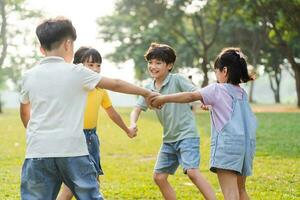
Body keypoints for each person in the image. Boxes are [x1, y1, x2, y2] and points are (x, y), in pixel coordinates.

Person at [19, 17, 157, 200]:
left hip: (37, 151)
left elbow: (24, 111)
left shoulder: (28, 76)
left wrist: (36, 134)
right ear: (68, 44)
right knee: (90, 195)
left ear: (41, 48)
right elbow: (115, 84)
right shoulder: (77, 73)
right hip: (72, 151)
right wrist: (147, 92)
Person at [151, 47, 257, 200]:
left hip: (227, 146)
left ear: (224, 71)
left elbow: (190, 96)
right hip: (246, 146)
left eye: (216, 71)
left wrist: (163, 98)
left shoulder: (217, 89)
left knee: (230, 194)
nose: (216, 75)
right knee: (241, 191)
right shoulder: (242, 93)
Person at [130, 43, 216, 200]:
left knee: (192, 172)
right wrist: (133, 123)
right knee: (159, 177)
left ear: (169, 65)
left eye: (158, 63)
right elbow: (137, 108)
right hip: (168, 140)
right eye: (150, 62)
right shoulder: (148, 87)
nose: (153, 66)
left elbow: (196, 93)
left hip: (187, 135)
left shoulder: (177, 80)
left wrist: (205, 102)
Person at [57, 47, 137, 200]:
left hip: (91, 138)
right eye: (90, 65)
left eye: (98, 65)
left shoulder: (100, 89)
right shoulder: (74, 86)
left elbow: (112, 112)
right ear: (78, 67)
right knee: (72, 185)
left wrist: (127, 129)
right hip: (73, 137)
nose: (95, 69)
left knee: (91, 181)